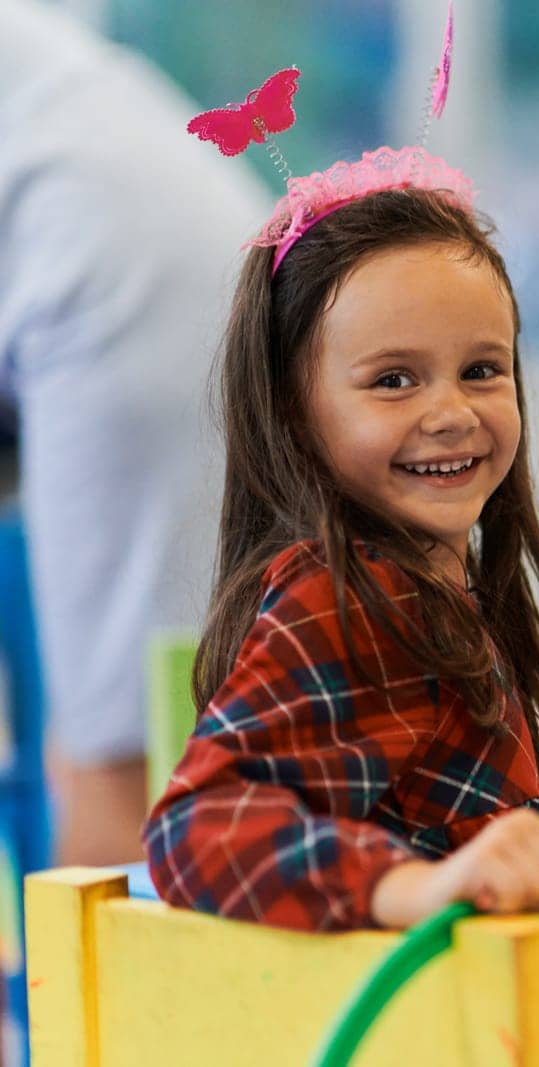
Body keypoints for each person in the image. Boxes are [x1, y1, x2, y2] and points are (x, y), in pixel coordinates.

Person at [141, 178, 539, 1062]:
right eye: (393, 379)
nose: (450, 413)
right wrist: (423, 888)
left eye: (482, 369)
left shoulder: (426, 584)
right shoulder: (344, 596)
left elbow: (414, 830)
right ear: (294, 410)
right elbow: (196, 830)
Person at [0, 0, 270, 863]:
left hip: (118, 271)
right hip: (133, 228)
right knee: (105, 730)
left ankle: (116, 996)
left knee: (126, 765)